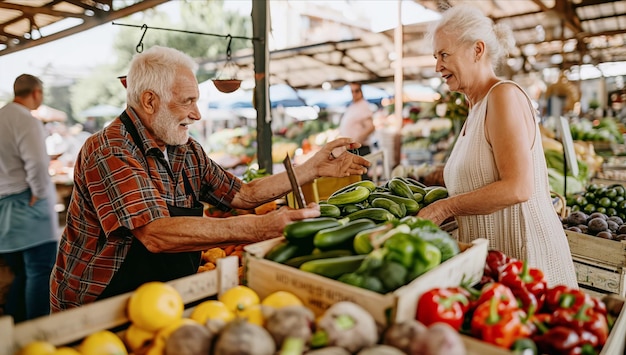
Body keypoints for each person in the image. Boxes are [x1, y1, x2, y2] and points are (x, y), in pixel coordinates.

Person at [50, 46, 371, 311]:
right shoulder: (110, 149)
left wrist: (311, 168)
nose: (197, 114)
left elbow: (243, 194)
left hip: (163, 297)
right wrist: (260, 227)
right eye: (188, 100)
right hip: (99, 303)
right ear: (150, 101)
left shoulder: (185, 149)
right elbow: (156, 234)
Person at [416, 4, 577, 288]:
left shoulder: (502, 96)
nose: (437, 66)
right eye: (435, 57)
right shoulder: (475, 108)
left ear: (477, 50)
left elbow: (517, 187)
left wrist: (444, 208)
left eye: (444, 55)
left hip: (528, 262)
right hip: (498, 266)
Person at [0, 74, 60, 321]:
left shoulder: (1, 116)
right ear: (36, 92)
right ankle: (37, 329)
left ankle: (15, 324)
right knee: (41, 270)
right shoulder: (26, 120)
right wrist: (39, 191)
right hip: (27, 203)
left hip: (4, 205)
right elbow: (36, 162)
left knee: (21, 272)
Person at [338, 82, 375, 156]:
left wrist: (355, 141)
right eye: (352, 91)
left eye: (356, 91)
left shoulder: (363, 106)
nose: (354, 94)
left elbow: (370, 127)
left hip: (360, 149)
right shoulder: (354, 105)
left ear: (361, 91)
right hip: (353, 150)